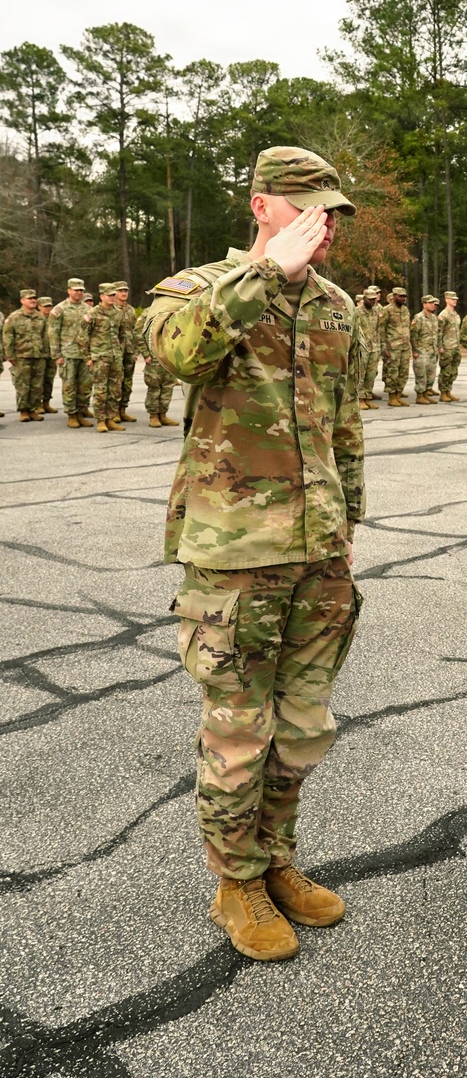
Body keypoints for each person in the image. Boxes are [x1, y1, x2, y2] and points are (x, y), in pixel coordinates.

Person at [143, 145, 365, 963]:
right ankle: (234, 880)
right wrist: (263, 275)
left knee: (303, 725)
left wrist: (350, 522)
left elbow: (346, 425)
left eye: (334, 211)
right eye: (309, 208)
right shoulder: (200, 288)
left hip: (319, 550)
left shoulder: (339, 308)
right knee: (240, 724)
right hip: (235, 554)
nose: (327, 226)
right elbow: (174, 354)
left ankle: (275, 859)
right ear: (262, 205)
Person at [48, 278, 93, 427]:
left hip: (84, 354)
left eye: (81, 290)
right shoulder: (59, 309)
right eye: (76, 290)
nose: (79, 292)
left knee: (85, 386)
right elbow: (53, 333)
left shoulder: (88, 309)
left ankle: (81, 412)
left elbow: (92, 332)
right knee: (69, 385)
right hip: (67, 354)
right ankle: (71, 414)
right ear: (69, 291)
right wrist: (56, 355)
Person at [84, 284, 127, 431]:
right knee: (101, 390)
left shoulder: (118, 313)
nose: (112, 298)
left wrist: (120, 351)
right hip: (99, 357)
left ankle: (110, 418)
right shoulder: (93, 313)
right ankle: (100, 420)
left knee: (115, 390)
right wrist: (87, 357)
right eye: (110, 295)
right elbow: (82, 336)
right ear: (101, 296)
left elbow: (122, 334)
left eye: (114, 295)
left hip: (115, 357)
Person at [3, 289, 47, 421]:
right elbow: (7, 337)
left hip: (38, 356)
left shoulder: (40, 317)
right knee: (22, 385)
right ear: (22, 300)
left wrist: (45, 353)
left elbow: (45, 337)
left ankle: (33, 409)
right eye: (29, 299)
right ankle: (23, 411)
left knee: (37, 386)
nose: (33, 301)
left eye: (34, 298)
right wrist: (10, 356)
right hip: (21, 356)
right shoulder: (14, 317)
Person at [114, 283, 141, 422]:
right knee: (115, 382)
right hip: (115, 351)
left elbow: (135, 331)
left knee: (127, 382)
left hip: (129, 350)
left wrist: (136, 350)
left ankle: (123, 409)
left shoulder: (130, 310)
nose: (124, 293)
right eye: (121, 291)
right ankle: (113, 412)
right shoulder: (111, 309)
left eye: (126, 291)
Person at [383, 286, 411, 406]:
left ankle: (399, 395)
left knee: (404, 372)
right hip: (392, 347)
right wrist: (384, 347)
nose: (403, 298)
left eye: (404, 296)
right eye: (401, 296)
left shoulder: (405, 310)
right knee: (392, 372)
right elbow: (381, 329)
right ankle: (392, 397)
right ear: (394, 297)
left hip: (405, 346)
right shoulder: (387, 310)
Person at [356, 286, 383, 409]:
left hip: (374, 347)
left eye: (374, 300)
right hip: (362, 347)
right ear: (364, 298)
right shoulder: (357, 311)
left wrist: (379, 345)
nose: (373, 302)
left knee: (371, 374)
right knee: (360, 374)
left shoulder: (376, 312)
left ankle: (367, 397)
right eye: (370, 299)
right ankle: (359, 398)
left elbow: (378, 329)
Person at [410, 294, 439, 405]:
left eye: (433, 303)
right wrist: (415, 350)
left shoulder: (434, 318)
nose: (433, 305)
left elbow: (437, 334)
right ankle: (420, 396)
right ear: (424, 304)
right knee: (421, 374)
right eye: (430, 303)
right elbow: (413, 335)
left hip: (432, 350)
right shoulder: (419, 318)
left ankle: (426, 394)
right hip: (422, 351)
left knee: (431, 375)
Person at [436, 290, 462, 402]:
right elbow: (439, 332)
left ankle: (448, 391)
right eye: (452, 299)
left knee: (453, 371)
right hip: (446, 347)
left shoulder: (456, 315)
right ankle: (443, 393)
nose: (455, 301)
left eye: (455, 299)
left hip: (455, 346)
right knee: (445, 371)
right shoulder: (443, 315)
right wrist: (440, 346)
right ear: (447, 300)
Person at [36, 298, 58, 412]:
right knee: (39, 379)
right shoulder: (36, 319)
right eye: (45, 306)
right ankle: (37, 404)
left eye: (49, 306)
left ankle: (46, 402)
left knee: (49, 379)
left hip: (51, 353)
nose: (48, 308)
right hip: (39, 354)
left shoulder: (53, 319)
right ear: (39, 306)